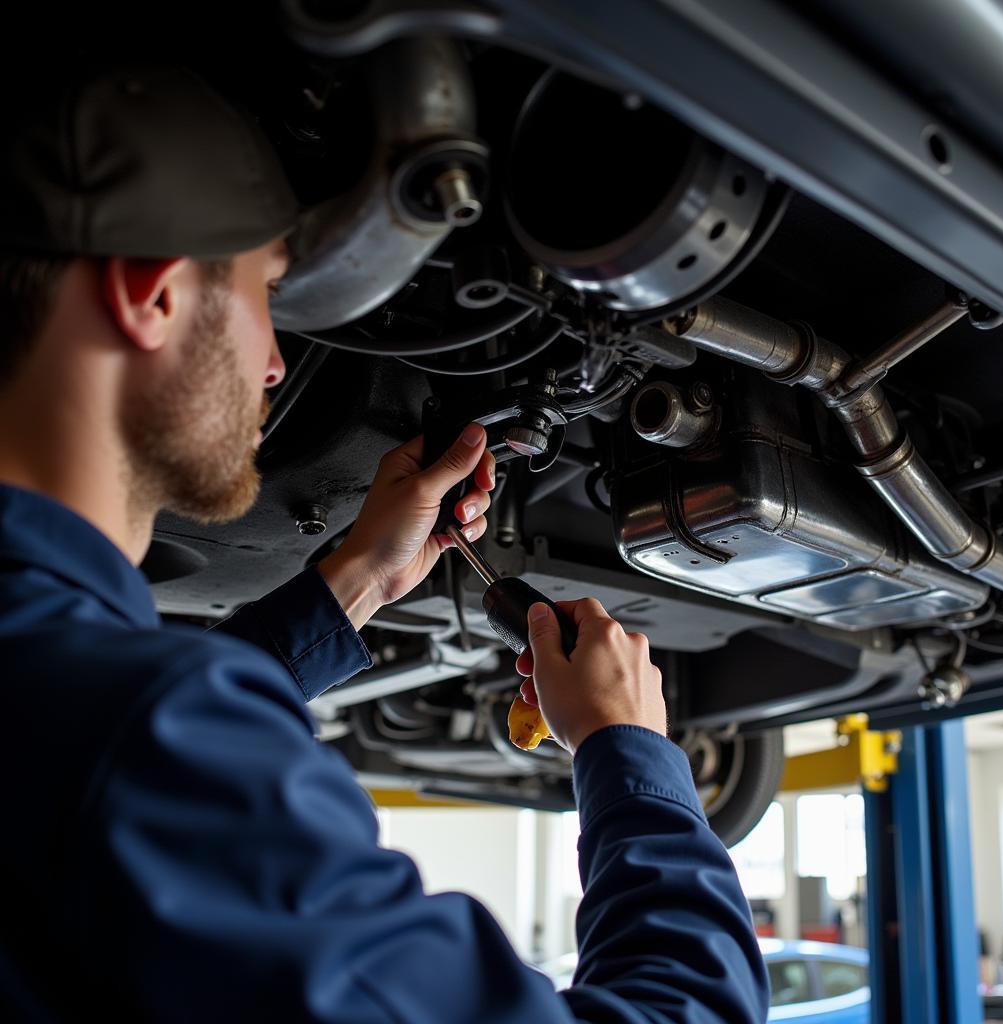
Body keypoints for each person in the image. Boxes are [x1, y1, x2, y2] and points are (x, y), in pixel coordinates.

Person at [0, 66, 769, 1022]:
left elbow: (103, 735)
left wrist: (354, 580)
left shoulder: (65, 694)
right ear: (153, 297)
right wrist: (630, 755)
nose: (277, 359)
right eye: (264, 295)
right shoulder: (141, 737)